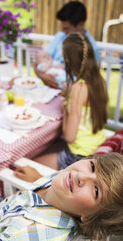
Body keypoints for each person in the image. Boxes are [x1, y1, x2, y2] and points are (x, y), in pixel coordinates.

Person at [0, 153, 123, 241]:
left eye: (97, 191)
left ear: (89, 217)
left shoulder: (26, 235)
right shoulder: (64, 184)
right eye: (92, 167)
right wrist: (37, 178)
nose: (82, 177)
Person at [33, 32, 108, 170]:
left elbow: (69, 136)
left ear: (68, 60)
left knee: (28, 163)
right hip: (96, 144)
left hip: (79, 154)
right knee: (46, 148)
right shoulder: (98, 81)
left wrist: (65, 108)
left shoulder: (78, 88)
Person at [34, 1, 100, 89]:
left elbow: (91, 81)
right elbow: (37, 62)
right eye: (62, 28)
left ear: (80, 24)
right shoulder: (60, 36)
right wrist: (44, 77)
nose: (63, 31)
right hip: (49, 91)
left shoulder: (92, 48)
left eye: (67, 28)